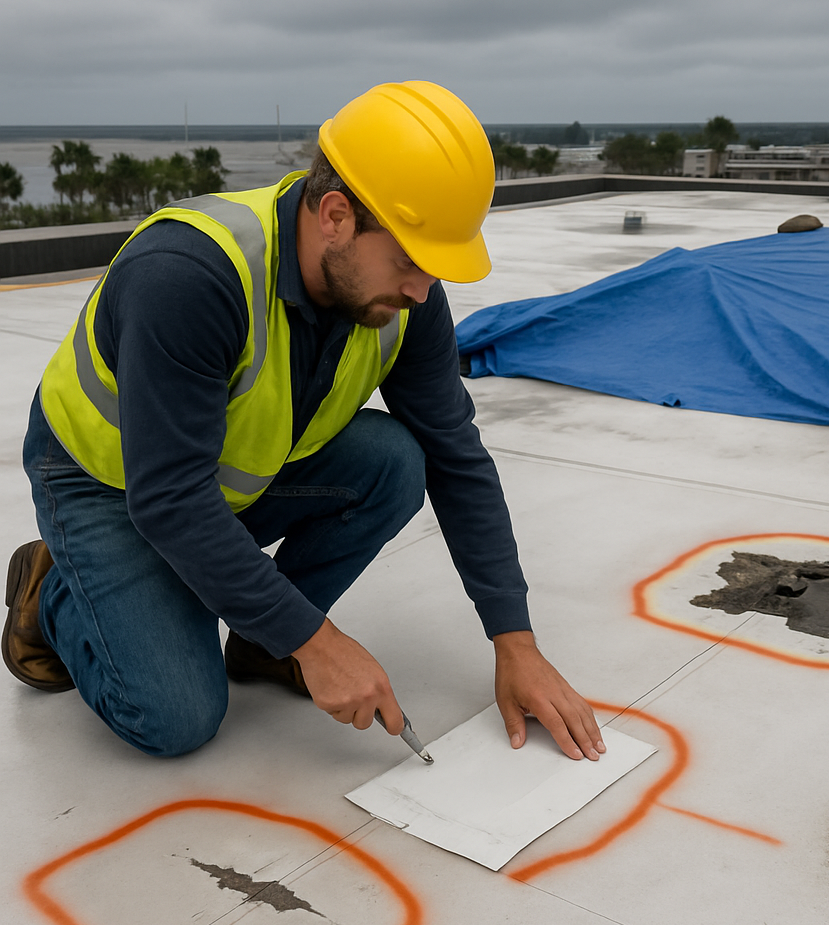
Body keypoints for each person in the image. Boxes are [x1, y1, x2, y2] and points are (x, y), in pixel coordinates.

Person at [3, 81, 604, 762]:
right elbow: (169, 497)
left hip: (219, 478)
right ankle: (56, 588)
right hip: (105, 483)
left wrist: (515, 643)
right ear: (336, 215)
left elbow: (455, 456)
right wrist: (319, 642)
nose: (421, 290)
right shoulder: (188, 277)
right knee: (174, 717)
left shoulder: (406, 296)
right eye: (409, 259)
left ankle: (263, 643)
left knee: (397, 461)